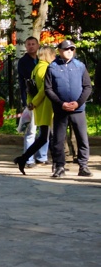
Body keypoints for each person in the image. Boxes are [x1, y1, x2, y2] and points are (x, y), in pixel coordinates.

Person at [44, 40, 92, 178]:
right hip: (61, 110)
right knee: (58, 140)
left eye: (72, 49)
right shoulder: (52, 67)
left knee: (82, 138)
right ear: (59, 51)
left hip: (78, 109)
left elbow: (87, 86)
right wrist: (60, 103)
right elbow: (48, 89)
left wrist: (78, 103)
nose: (69, 51)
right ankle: (59, 167)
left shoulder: (80, 66)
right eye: (66, 49)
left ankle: (83, 166)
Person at [13, 45, 56, 174]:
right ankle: (58, 165)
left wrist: (31, 103)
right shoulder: (45, 68)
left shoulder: (37, 67)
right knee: (53, 137)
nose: (54, 57)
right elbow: (45, 89)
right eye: (53, 55)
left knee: (44, 137)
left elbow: (30, 88)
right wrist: (34, 102)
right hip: (47, 106)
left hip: (40, 107)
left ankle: (23, 158)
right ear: (48, 55)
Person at [16, 36, 47, 167]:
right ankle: (29, 159)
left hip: (45, 99)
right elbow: (26, 81)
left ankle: (42, 157)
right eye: (28, 44)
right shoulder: (23, 61)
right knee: (31, 130)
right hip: (31, 98)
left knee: (44, 130)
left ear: (38, 45)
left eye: (33, 44)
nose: (31, 46)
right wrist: (26, 101)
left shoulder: (43, 59)